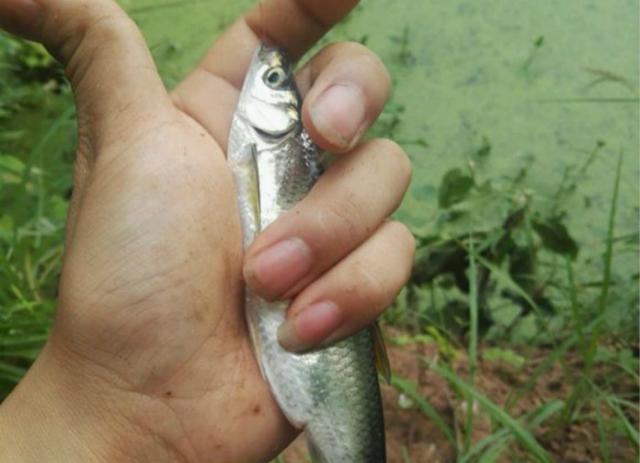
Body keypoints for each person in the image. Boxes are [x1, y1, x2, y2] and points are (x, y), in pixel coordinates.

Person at [0, 0, 415, 461]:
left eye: (272, 79)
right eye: (276, 79)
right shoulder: (244, 142)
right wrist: (109, 412)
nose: (264, 71)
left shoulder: (265, 143)